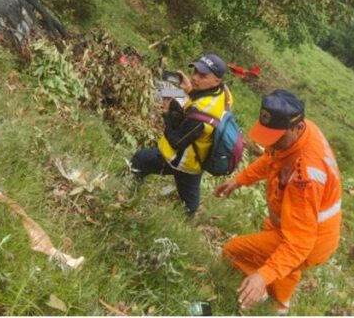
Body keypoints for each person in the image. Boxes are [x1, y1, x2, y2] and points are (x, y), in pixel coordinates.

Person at [215, 90, 342, 315]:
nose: (270, 145)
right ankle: (280, 305)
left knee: (231, 251)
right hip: (292, 222)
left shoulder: (307, 176)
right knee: (285, 262)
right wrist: (240, 180)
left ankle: (260, 292)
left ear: (297, 127)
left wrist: (262, 276)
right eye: (268, 137)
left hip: (309, 240)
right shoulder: (298, 133)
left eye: (276, 139)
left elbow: (299, 243)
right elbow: (271, 159)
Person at [130, 53, 233, 216]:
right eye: (195, 72)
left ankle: (128, 194)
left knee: (140, 160)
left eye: (203, 76)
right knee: (190, 206)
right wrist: (190, 89)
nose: (195, 78)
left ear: (216, 80)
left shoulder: (201, 115)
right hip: (198, 160)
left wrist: (165, 112)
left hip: (181, 161)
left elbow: (175, 141)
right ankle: (190, 214)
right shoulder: (225, 94)